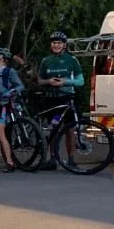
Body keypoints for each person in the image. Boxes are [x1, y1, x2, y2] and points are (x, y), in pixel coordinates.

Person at [37, 31, 85, 169]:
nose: (56, 45)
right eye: (54, 43)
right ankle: (53, 159)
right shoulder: (46, 61)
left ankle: (71, 159)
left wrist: (65, 82)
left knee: (69, 129)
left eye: (59, 43)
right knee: (54, 128)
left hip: (67, 99)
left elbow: (80, 81)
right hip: (53, 100)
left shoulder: (72, 60)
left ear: (64, 45)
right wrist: (49, 82)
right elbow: (40, 81)